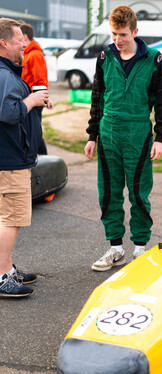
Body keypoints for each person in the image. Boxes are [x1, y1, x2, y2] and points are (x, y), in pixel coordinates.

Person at [84, 5, 162, 271]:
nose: (118, 40)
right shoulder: (104, 57)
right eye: (113, 34)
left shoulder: (155, 59)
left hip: (138, 135)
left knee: (138, 193)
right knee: (109, 193)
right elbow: (97, 98)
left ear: (135, 31)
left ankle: (141, 250)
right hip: (108, 133)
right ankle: (115, 249)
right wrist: (92, 135)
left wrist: (160, 137)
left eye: (122, 34)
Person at [0, 18, 52, 297]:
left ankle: (6, 268)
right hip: (10, 161)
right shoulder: (5, 74)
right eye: (19, 38)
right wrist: (31, 101)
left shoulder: (6, 72)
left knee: (7, 217)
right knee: (11, 218)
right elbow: (8, 113)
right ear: (4, 43)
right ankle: (0, 275)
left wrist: (33, 98)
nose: (25, 43)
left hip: (9, 158)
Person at [20, 23, 49, 155]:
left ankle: (44, 159)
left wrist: (43, 98)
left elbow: (41, 79)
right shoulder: (26, 54)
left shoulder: (35, 55)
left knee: (35, 132)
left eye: (20, 37)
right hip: (29, 99)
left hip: (35, 100)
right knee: (31, 131)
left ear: (25, 37)